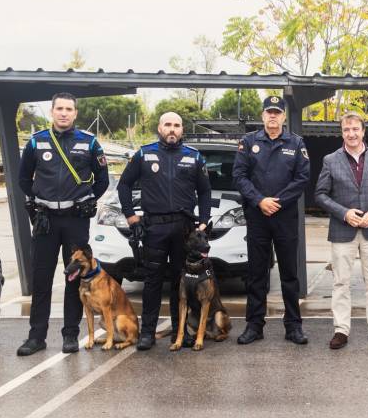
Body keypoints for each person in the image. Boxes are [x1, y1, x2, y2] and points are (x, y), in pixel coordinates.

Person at [16, 92, 109, 356]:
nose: (64, 113)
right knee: (41, 278)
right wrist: (35, 201)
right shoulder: (36, 142)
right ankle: (36, 337)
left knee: (73, 279)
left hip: (75, 220)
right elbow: (23, 178)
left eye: (69, 109)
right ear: (52, 111)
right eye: (59, 109)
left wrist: (88, 199)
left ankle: (70, 335)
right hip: (46, 220)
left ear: (75, 113)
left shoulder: (89, 143)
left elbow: (102, 180)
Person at [117, 112, 212, 350]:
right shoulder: (144, 154)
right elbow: (124, 184)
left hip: (184, 229)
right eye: (168, 125)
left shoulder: (194, 157)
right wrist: (131, 216)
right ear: (160, 128)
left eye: (177, 125)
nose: (172, 129)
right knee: (153, 281)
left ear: (182, 130)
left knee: (182, 283)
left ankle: (180, 333)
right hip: (154, 227)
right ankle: (147, 333)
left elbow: (205, 192)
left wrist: (203, 221)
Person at [232, 95, 310, 345]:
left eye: (277, 112)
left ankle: (293, 326)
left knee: (289, 274)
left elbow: (302, 177)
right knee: (256, 273)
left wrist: (276, 201)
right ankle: (254, 325)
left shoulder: (296, 143)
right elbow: (239, 176)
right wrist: (259, 201)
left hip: (285, 217)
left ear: (284, 116)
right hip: (257, 217)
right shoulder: (249, 142)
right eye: (269, 112)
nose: (273, 116)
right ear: (263, 115)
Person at [314, 112, 368, 349]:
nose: (351, 134)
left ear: (363, 131)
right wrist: (344, 213)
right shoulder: (331, 160)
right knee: (341, 283)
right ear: (342, 133)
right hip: (342, 230)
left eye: (355, 129)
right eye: (346, 130)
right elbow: (320, 194)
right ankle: (341, 330)